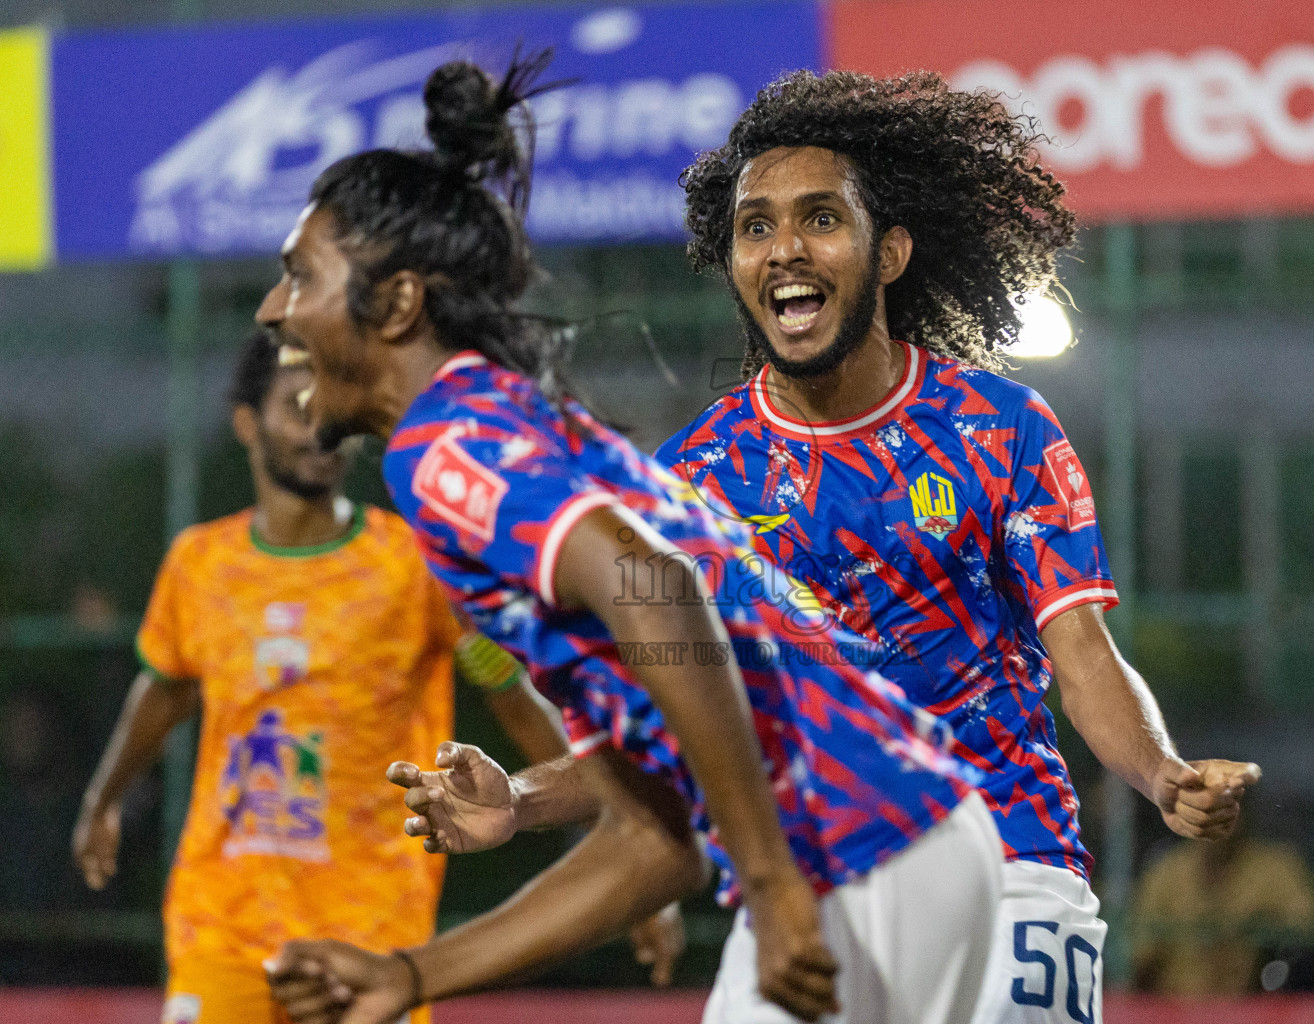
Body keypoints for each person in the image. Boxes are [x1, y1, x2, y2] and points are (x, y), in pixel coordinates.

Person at [260, 57, 1000, 1024]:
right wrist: (412, 976)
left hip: (855, 857)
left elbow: (655, 588)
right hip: (915, 843)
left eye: (297, 276)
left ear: (398, 305)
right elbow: (659, 841)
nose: (274, 311)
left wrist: (773, 888)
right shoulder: (508, 425)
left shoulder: (443, 446)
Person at [653, 69, 1260, 1024]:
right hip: (822, 875)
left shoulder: (1001, 427)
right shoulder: (695, 476)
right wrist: (518, 800)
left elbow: (1084, 660)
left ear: (888, 252)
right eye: (755, 226)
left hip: (1012, 862)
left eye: (820, 218)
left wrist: (1161, 773)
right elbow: (661, 709)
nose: (783, 250)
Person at [70, 331, 637, 1024]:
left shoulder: (417, 564)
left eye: (329, 405)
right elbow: (164, 691)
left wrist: (615, 825)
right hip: (221, 929)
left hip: (375, 935)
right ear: (248, 422)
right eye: (294, 407)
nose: (318, 427)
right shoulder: (198, 565)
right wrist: (104, 798)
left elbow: (508, 692)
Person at [1131, 822, 1314, 996]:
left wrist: (1257, 927)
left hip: (1254, 1011)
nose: (1214, 816)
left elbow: (1309, 935)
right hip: (1177, 1010)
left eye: (1227, 803)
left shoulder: (1276, 869)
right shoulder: (1166, 872)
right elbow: (1140, 961)